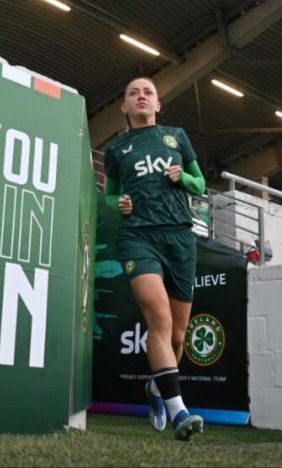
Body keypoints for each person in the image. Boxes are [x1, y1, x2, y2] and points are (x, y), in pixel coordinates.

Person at [102, 77, 206, 441]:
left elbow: (201, 184)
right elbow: (109, 196)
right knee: (158, 317)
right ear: (125, 107)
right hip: (138, 239)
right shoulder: (117, 150)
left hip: (180, 238)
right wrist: (119, 204)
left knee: (178, 336)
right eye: (133, 92)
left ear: (158, 105)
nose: (141, 96)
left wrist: (184, 179)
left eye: (148, 92)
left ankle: (157, 390)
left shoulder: (176, 136)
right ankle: (180, 412)